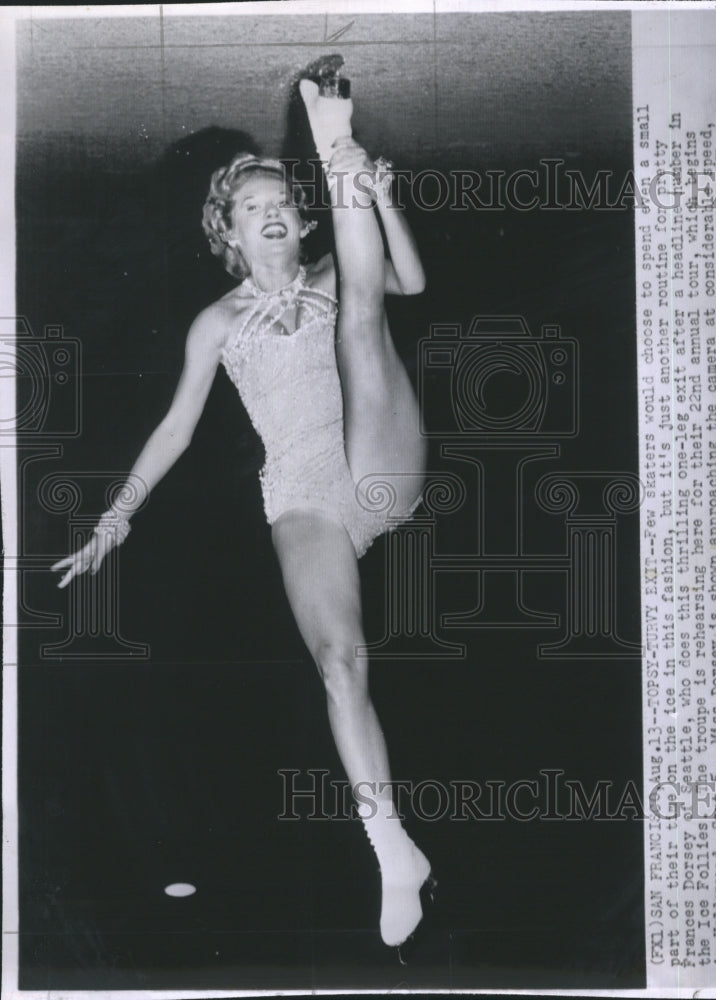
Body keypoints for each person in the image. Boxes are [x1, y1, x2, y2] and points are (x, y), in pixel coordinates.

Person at [51, 56, 434, 953]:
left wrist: (372, 195)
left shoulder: (335, 277)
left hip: (378, 462)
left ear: (301, 222)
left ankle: (337, 147)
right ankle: (393, 851)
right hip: (303, 496)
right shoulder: (218, 323)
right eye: (251, 206)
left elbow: (405, 283)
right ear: (229, 232)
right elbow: (174, 432)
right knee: (339, 659)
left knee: (361, 311)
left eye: (281, 202)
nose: (269, 213)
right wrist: (115, 518)